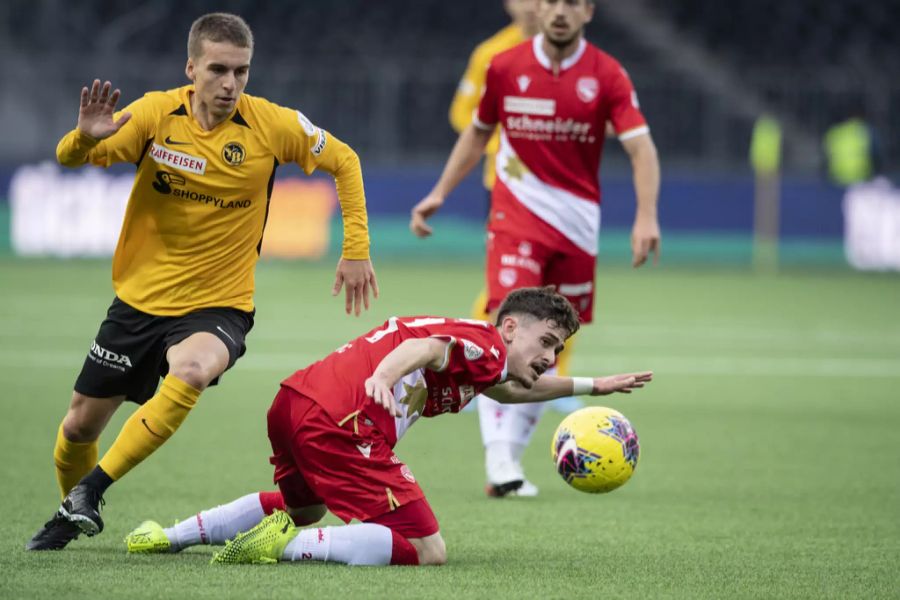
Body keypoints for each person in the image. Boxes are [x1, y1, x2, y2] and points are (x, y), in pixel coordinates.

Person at [26, 12, 378, 551]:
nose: (230, 84)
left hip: (219, 305)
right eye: (217, 70)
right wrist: (81, 137)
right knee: (78, 428)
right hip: (138, 303)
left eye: (241, 71)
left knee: (190, 369)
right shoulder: (152, 114)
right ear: (191, 67)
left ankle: (92, 489)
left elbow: (345, 160)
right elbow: (71, 158)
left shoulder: (271, 125)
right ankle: (71, 510)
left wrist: (356, 249)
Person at [123, 287, 653, 566]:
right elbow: (425, 350)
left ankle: (166, 537)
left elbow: (512, 390)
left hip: (294, 403)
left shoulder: (489, 361)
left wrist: (591, 385)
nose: (550, 356)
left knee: (305, 508)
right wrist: (383, 375)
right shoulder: (486, 343)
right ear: (511, 326)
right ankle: (277, 549)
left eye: (558, 350)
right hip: (345, 422)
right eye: (546, 342)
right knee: (426, 550)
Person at [410, 0, 660, 498]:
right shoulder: (503, 65)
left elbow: (641, 148)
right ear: (537, 10)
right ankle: (499, 460)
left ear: (588, 11)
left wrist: (646, 214)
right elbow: (477, 133)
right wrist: (440, 191)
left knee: (551, 342)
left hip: (576, 227)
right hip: (514, 218)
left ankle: (510, 459)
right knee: (510, 333)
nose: (560, 11)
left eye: (572, 2)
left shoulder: (607, 75)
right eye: (550, 2)